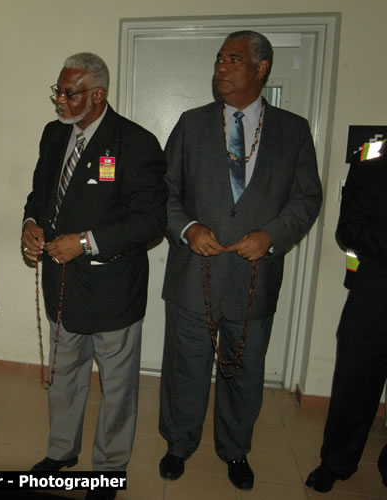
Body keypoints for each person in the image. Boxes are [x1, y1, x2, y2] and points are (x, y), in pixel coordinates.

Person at [159, 31, 323, 490]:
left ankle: (235, 451)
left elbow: (307, 198)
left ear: (261, 68)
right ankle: (178, 444)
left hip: (254, 275)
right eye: (219, 59)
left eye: (234, 59)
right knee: (185, 366)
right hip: (195, 276)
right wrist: (189, 229)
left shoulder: (293, 131)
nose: (222, 67)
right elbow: (164, 192)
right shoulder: (191, 124)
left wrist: (271, 236)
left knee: (244, 370)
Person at [21, 52, 167, 500]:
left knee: (117, 388)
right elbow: (40, 194)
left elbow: (150, 222)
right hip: (62, 285)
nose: (60, 101)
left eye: (70, 93)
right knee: (65, 376)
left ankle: (109, 469)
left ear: (98, 95)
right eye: (58, 92)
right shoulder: (53, 135)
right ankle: (62, 452)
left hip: (112, 289)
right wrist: (30, 224)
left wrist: (85, 242)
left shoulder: (135, 143)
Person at [305, 141, 387, 493]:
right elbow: (348, 231)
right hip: (376, 292)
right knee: (354, 386)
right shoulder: (372, 163)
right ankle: (335, 463)